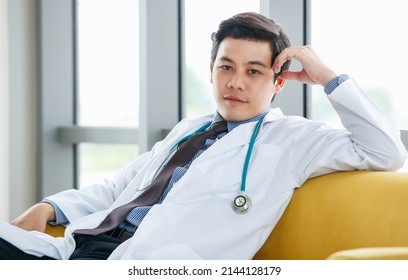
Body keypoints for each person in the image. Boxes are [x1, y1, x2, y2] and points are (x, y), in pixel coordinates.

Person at [0, 12, 406, 260]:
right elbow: (120, 186)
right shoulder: (189, 129)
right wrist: (51, 208)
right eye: (226, 67)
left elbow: (386, 150)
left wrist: (328, 77)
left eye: (254, 71)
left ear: (279, 82)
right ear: (211, 69)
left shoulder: (294, 141)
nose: (236, 83)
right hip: (83, 245)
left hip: (143, 262)